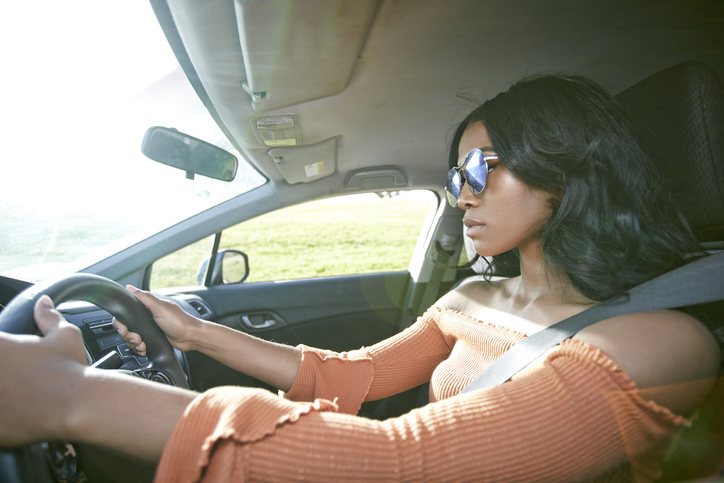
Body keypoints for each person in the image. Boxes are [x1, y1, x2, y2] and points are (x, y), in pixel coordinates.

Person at [1, 74, 720, 482]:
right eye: (453, 176)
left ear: (565, 172)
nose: (462, 193)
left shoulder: (661, 341)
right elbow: (351, 376)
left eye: (479, 169)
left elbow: (409, 462)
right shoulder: (473, 295)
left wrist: (74, 397)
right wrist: (191, 330)